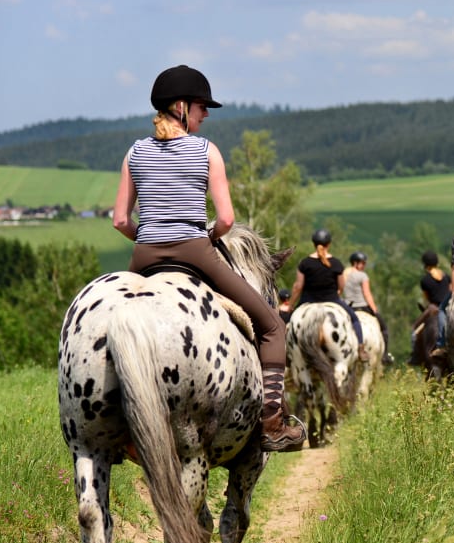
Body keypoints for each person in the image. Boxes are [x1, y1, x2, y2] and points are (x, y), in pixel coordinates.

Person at [112, 65, 305, 453]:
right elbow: (228, 219)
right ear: (181, 107)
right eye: (202, 106)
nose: (207, 113)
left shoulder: (135, 152)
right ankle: (271, 422)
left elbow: (119, 220)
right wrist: (207, 236)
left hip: (143, 254)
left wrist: (149, 237)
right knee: (271, 327)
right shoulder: (206, 151)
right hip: (197, 252)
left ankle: (117, 428)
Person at [286, 229, 368, 361]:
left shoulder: (305, 263)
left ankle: (286, 354)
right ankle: (360, 348)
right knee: (354, 319)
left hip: (308, 300)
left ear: (313, 243)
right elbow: (341, 285)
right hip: (332, 299)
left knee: (288, 322)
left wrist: (291, 305)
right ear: (329, 244)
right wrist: (338, 293)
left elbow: (298, 286)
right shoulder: (336, 263)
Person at [344, 251, 394, 364]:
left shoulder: (344, 274)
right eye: (363, 263)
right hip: (361, 306)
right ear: (356, 263)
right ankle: (385, 355)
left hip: (348, 307)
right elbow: (367, 294)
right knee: (384, 329)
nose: (364, 265)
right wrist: (374, 310)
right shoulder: (362, 276)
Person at [416, 250, 451, 354]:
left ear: (425, 265)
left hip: (433, 307)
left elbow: (427, 298)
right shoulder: (446, 277)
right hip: (448, 306)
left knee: (414, 331)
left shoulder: (425, 280)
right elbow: (450, 291)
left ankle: (415, 356)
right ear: (437, 263)